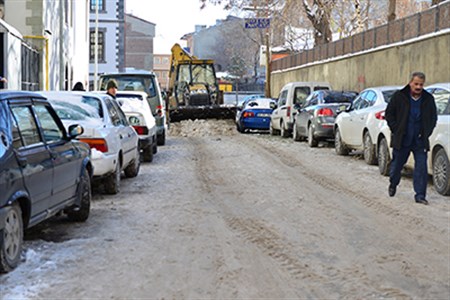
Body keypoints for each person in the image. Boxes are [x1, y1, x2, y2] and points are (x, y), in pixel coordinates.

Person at [385, 71, 437, 205]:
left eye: (421, 84)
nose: (418, 87)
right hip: (402, 138)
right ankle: (393, 183)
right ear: (410, 83)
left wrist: (426, 132)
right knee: (397, 166)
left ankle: (420, 195)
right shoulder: (399, 96)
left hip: (420, 140)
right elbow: (389, 114)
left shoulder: (428, 99)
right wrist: (396, 129)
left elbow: (433, 118)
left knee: (421, 168)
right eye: (416, 84)